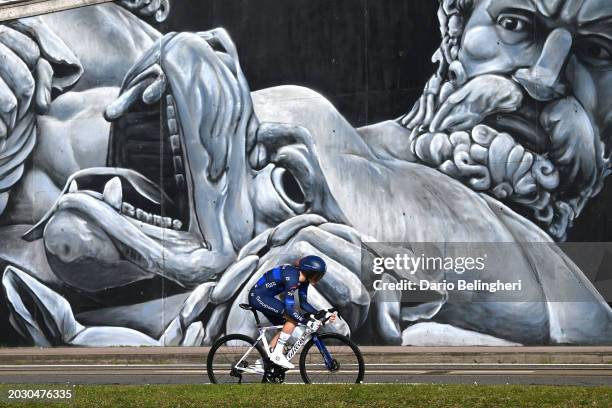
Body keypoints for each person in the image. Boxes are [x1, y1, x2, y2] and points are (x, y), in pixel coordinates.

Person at [248, 255, 334, 369]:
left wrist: (322, 314)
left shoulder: (304, 280)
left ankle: (263, 363)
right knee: (293, 318)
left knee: (286, 325)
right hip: (258, 297)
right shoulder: (292, 277)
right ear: (309, 272)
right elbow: (289, 309)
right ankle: (277, 355)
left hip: (266, 297)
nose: (319, 278)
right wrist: (306, 322)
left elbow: (304, 304)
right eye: (317, 275)